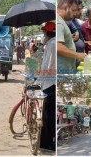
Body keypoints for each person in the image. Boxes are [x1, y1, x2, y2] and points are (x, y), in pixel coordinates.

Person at [38, 21, 56, 151]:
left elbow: (47, 66)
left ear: (47, 32)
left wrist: (38, 82)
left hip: (50, 84)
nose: (43, 33)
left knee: (48, 116)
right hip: (51, 82)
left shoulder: (52, 44)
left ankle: (47, 144)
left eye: (44, 31)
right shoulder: (51, 43)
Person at [57, 0, 87, 74]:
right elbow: (58, 48)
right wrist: (78, 55)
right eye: (73, 10)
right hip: (63, 71)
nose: (74, 14)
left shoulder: (61, 22)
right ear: (66, 7)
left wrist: (69, 37)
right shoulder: (59, 23)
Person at [66, 0, 85, 67]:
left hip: (79, 58)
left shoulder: (76, 21)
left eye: (81, 9)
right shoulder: (66, 22)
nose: (81, 12)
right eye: (79, 9)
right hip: (72, 60)